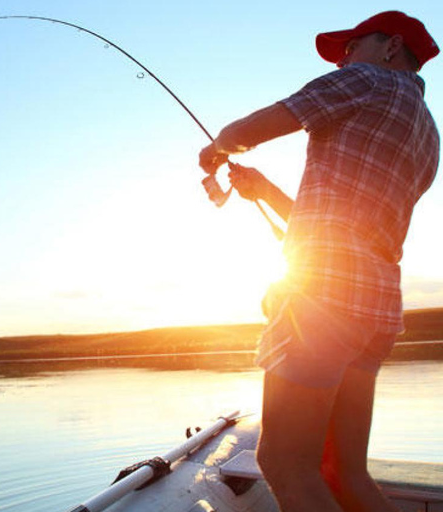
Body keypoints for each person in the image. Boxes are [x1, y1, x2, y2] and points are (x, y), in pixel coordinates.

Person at [198, 11, 439, 512]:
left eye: (351, 47)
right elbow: (346, 224)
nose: (345, 59)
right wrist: (263, 190)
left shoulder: (366, 79)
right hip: (375, 309)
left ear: (391, 47)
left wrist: (217, 147)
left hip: (323, 302)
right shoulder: (429, 134)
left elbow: (247, 130)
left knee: (286, 464)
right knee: (345, 473)